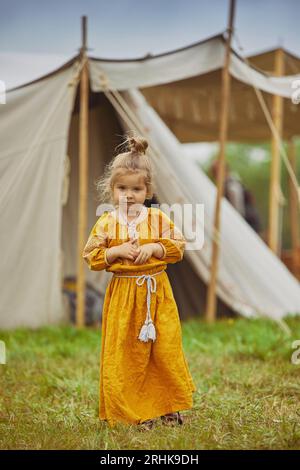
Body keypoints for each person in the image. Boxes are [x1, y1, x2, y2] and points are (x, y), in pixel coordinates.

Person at [82, 135, 197, 431]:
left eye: (136, 188)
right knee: (127, 355)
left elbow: (178, 245)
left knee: (164, 350)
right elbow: (91, 255)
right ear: (112, 189)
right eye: (122, 188)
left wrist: (156, 248)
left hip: (156, 296)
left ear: (147, 190)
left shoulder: (157, 218)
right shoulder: (107, 223)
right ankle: (136, 411)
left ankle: (168, 407)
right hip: (123, 298)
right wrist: (115, 251)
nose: (129, 195)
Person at [211, 159, 262, 234]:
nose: (215, 175)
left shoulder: (232, 185)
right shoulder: (229, 183)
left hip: (248, 224)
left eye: (216, 172)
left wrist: (237, 229)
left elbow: (238, 210)